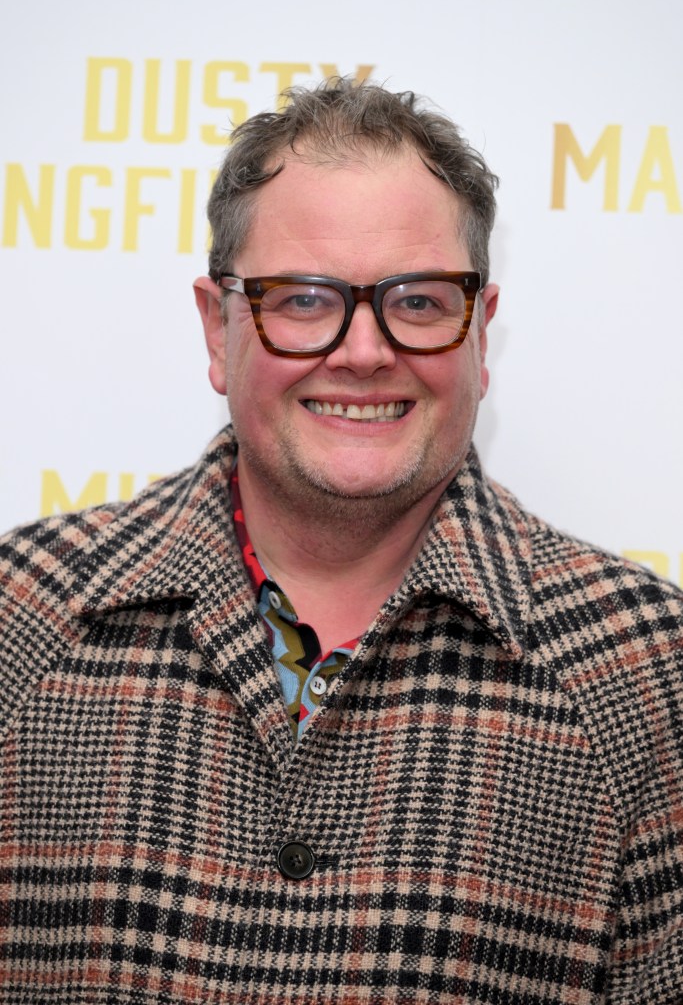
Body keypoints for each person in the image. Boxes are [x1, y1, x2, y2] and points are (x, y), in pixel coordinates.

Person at [1, 78, 682, 1005]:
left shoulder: (646, 674)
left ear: (479, 334)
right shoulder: (20, 618)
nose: (363, 352)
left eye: (418, 302)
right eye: (304, 300)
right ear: (218, 328)